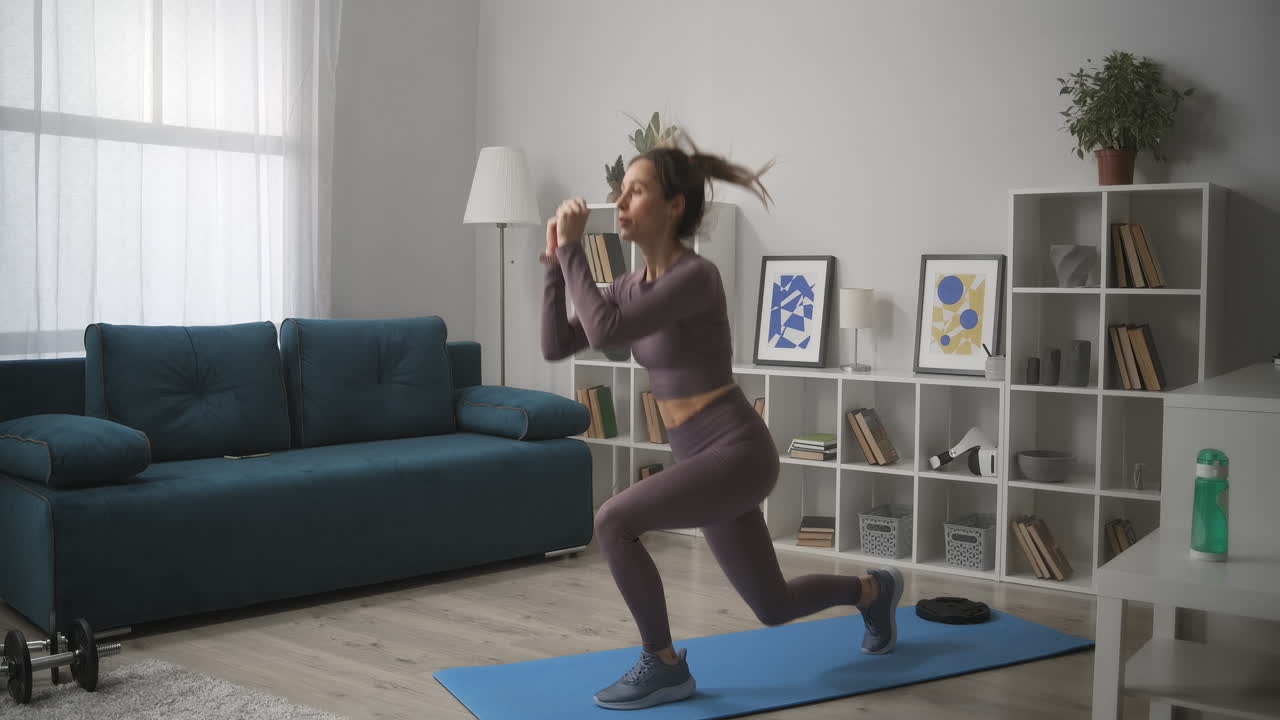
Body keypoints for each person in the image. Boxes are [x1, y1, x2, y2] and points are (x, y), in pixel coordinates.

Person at [540, 134, 904, 711]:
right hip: (703, 461)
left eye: (637, 191)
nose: (624, 202)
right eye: (622, 191)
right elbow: (559, 342)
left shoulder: (695, 277)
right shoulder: (631, 287)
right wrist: (556, 266)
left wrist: (574, 253)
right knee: (773, 605)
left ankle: (662, 664)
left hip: (737, 452)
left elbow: (607, 331)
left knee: (612, 521)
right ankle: (874, 591)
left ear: (673, 207)